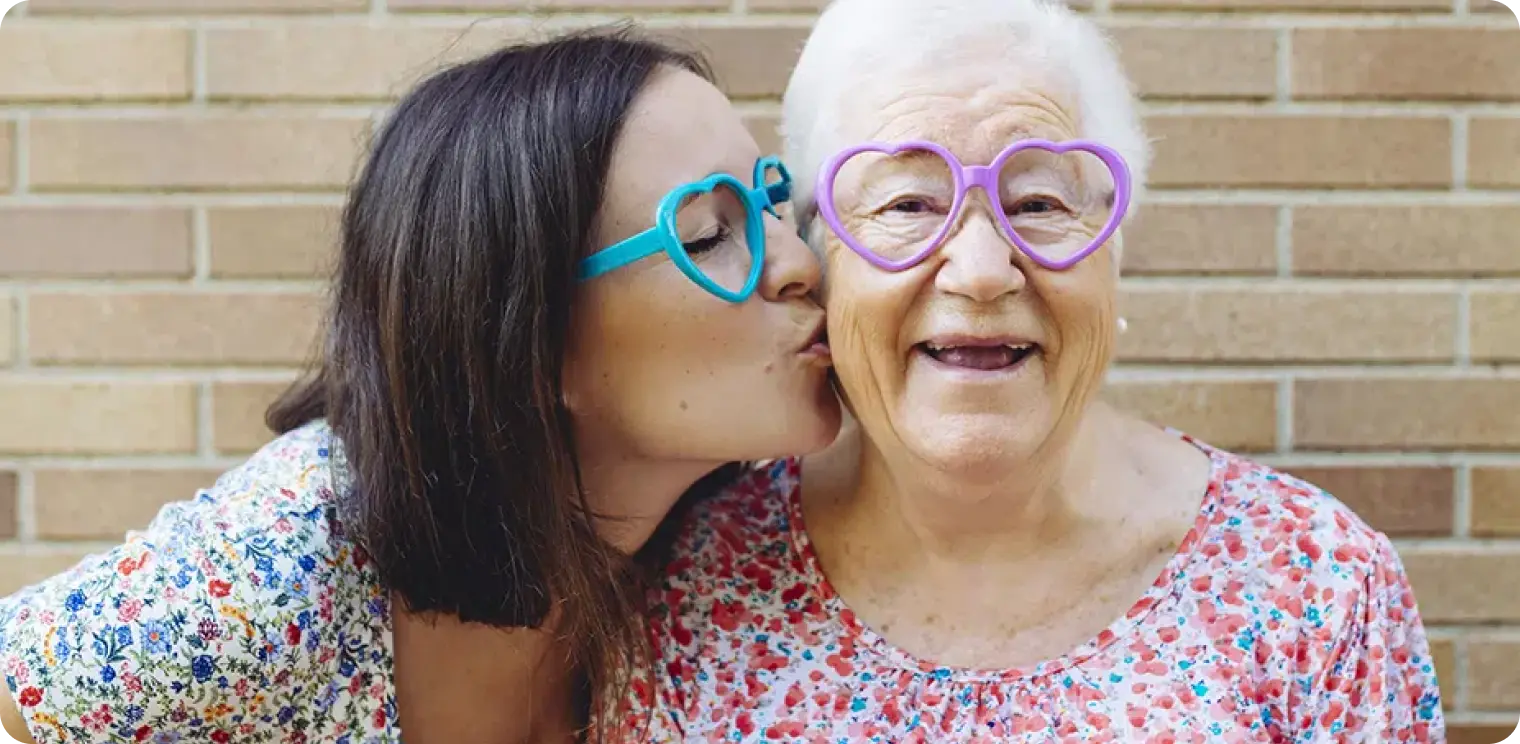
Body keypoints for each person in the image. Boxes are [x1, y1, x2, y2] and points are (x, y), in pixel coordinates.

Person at [609, 0, 1447, 741]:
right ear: (820, 258)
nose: (980, 271)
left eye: (1040, 204)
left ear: (1113, 254)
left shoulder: (1316, 584)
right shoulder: (687, 578)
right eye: (907, 204)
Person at [0, 26, 839, 744]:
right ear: (528, 338)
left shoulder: (739, 540)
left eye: (771, 204)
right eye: (708, 236)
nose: (800, 264)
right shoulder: (275, 570)